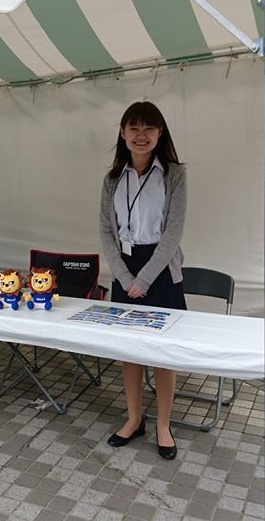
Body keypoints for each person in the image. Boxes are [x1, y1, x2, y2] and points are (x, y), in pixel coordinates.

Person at [99, 101, 187, 460]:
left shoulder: (174, 174)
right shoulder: (112, 179)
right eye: (133, 128)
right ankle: (134, 419)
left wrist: (145, 279)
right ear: (122, 133)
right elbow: (106, 232)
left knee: (163, 353)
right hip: (125, 267)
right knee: (130, 351)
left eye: (149, 128)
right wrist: (124, 277)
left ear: (160, 133)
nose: (141, 135)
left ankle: (163, 424)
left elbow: (173, 233)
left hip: (161, 270)